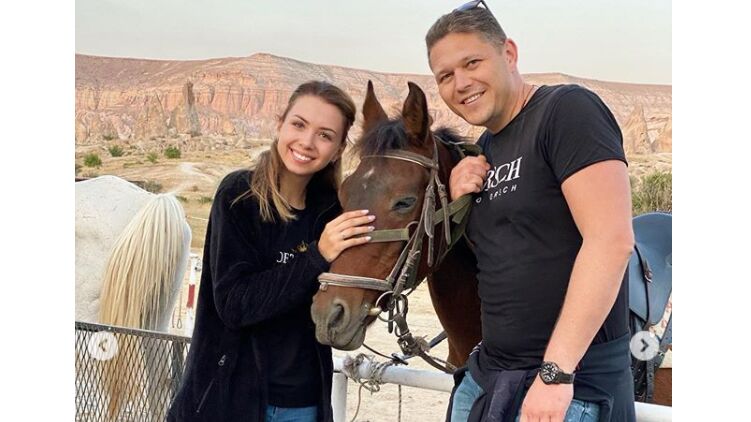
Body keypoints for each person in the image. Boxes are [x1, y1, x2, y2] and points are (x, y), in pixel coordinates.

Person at [425, 2, 636, 422]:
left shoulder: (567, 110)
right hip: (489, 379)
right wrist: (457, 199)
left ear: (509, 53)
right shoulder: (485, 150)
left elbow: (610, 241)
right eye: (445, 76)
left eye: (472, 63)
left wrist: (556, 373)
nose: (460, 83)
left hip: (567, 386)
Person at [167, 81, 376, 422]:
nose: (307, 142)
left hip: (303, 405)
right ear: (280, 124)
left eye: (325, 135)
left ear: (339, 149)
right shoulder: (240, 196)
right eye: (299, 124)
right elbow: (234, 304)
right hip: (229, 401)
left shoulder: (332, 213)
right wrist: (316, 255)